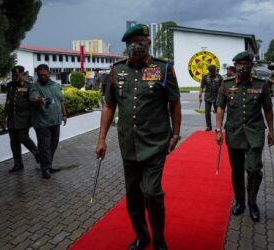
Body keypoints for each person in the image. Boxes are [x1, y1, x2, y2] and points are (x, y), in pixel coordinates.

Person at [96, 24, 181, 250]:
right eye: (131, 41)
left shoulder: (163, 69)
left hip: (155, 142)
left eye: (140, 40)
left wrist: (176, 134)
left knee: (152, 192)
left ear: (148, 43)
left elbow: (174, 102)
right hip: (129, 143)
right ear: (125, 45)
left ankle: (159, 239)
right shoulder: (117, 71)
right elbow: (108, 106)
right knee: (133, 195)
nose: (135, 44)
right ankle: (142, 235)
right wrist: (101, 139)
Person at [215, 51, 274, 222]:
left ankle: (252, 202)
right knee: (236, 171)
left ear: (251, 67)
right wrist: (218, 130)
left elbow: (268, 109)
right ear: (235, 66)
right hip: (234, 133)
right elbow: (220, 108)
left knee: (254, 169)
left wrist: (271, 131)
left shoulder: (261, 84)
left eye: (247, 65)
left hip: (255, 133)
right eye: (240, 65)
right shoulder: (226, 84)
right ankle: (240, 201)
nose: (243, 68)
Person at [29, 64, 67, 179]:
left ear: (49, 73)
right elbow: (33, 99)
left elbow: (61, 100)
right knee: (44, 146)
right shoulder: (35, 86)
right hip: (42, 122)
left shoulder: (56, 85)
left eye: (45, 74)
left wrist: (64, 114)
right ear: (38, 75)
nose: (43, 77)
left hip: (56, 121)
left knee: (53, 144)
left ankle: (48, 165)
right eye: (40, 75)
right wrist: (40, 100)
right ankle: (45, 169)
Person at [2, 65, 39, 173]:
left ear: (23, 74)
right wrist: (4, 118)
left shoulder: (29, 86)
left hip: (24, 118)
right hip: (12, 119)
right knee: (14, 142)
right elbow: (8, 102)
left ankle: (37, 153)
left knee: (23, 137)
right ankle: (18, 164)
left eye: (18, 74)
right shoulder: (10, 86)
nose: (15, 76)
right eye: (14, 75)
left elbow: (33, 102)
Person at [199, 65, 223, 131]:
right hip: (208, 97)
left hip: (217, 96)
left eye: (214, 70)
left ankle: (218, 126)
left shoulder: (219, 77)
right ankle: (209, 126)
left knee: (218, 112)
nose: (213, 72)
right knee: (207, 112)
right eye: (212, 71)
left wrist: (223, 96)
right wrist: (200, 96)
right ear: (209, 71)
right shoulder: (205, 77)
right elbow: (202, 86)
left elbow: (223, 86)